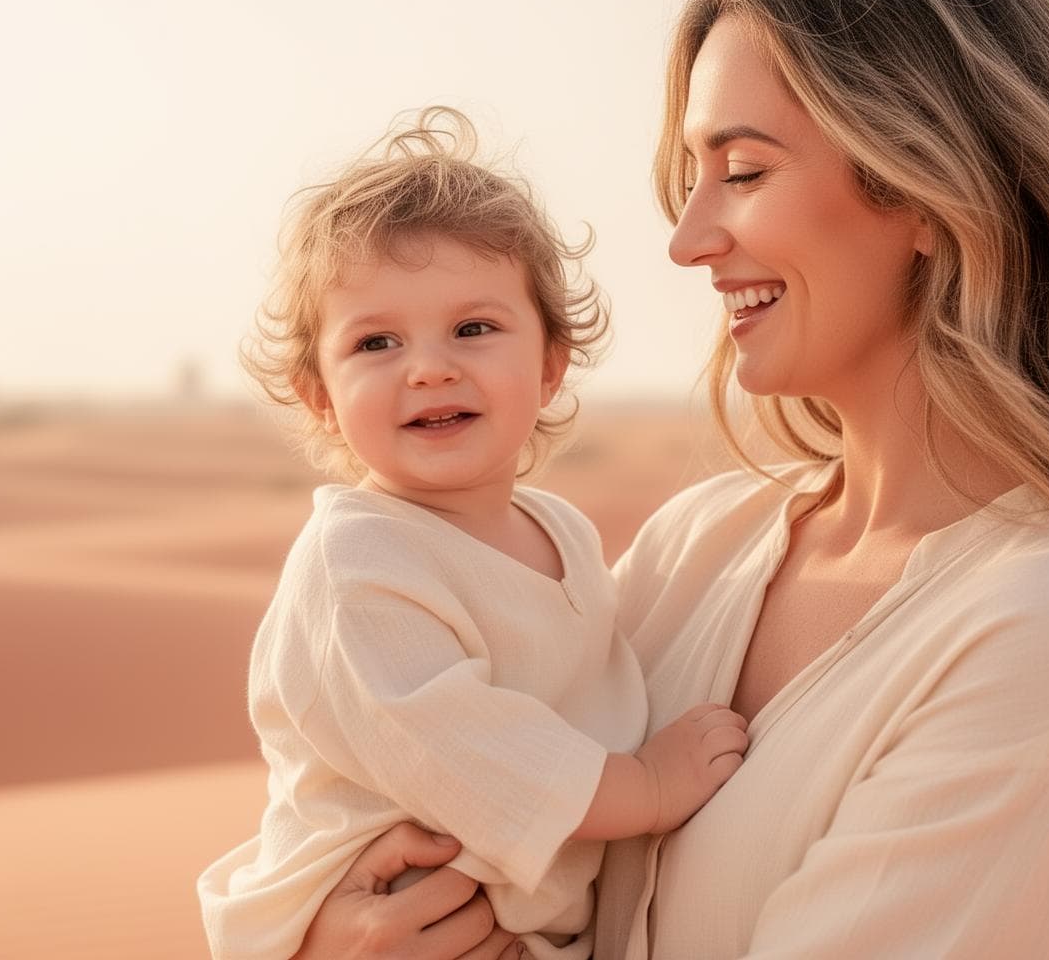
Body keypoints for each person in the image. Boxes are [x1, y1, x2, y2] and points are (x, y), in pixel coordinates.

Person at [297, 0, 1049, 960]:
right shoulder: (697, 544)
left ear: (925, 190)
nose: (687, 240)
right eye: (692, 177)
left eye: (746, 170)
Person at [197, 108, 750, 960]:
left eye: (473, 329)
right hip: (402, 908)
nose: (428, 366)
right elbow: (466, 749)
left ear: (550, 364)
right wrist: (646, 786)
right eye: (376, 342)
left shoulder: (559, 528)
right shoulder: (358, 564)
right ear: (320, 396)